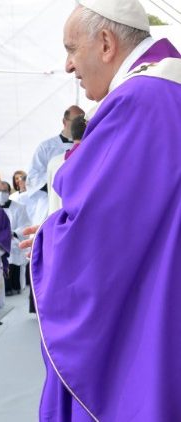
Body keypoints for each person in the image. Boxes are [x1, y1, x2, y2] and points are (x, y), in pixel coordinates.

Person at [28, 1, 181, 419]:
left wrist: (47, 238)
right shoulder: (170, 89)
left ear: (107, 43)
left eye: (72, 49)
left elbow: (94, 235)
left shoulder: (139, 100)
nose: (67, 65)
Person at [25, 105, 84, 193]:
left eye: (82, 122)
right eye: (76, 121)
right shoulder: (46, 147)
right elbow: (34, 177)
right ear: (64, 122)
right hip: (50, 198)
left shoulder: (87, 145)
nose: (79, 126)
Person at [0, 181, 30, 296]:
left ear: (9, 192)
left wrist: (13, 233)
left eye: (4, 191)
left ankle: (13, 286)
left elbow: (25, 225)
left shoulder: (19, 208)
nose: (1, 193)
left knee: (12, 255)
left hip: (12, 240)